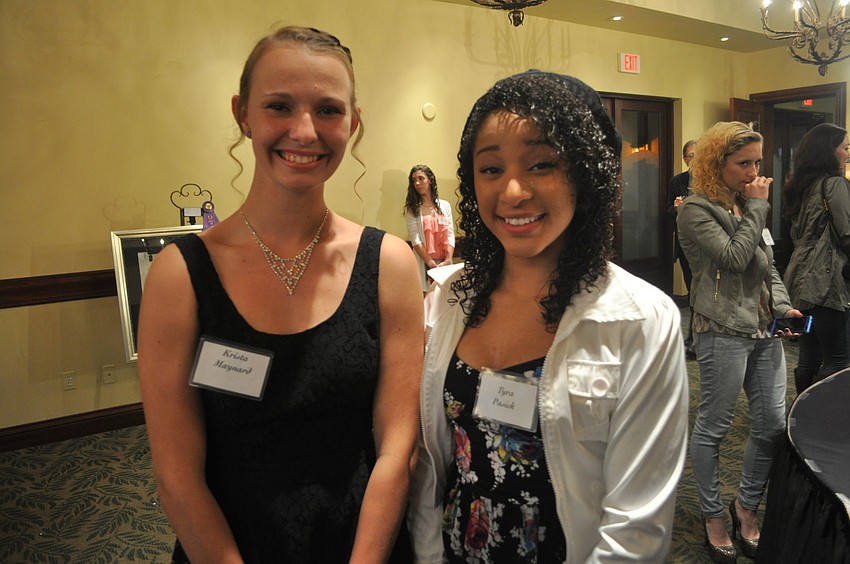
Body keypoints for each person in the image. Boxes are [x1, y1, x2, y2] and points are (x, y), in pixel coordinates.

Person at [137, 26, 423, 563]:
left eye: (329, 110)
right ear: (242, 114)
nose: (305, 131)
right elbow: (176, 477)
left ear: (353, 122)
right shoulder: (181, 274)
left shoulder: (389, 264)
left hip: (359, 540)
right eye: (279, 106)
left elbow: (397, 450)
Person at [407, 70, 689, 563]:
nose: (513, 191)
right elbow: (433, 466)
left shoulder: (641, 319)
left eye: (542, 164)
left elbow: (637, 530)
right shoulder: (451, 297)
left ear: (586, 174)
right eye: (491, 168)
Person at [677, 121, 803, 563]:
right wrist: (758, 209)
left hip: (764, 326)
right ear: (717, 163)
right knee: (715, 426)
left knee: (771, 425)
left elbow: (768, 265)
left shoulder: (745, 205)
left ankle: (745, 507)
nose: (754, 172)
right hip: (722, 328)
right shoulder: (696, 210)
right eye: (743, 163)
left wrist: (783, 305)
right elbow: (733, 259)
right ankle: (713, 516)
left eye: (757, 162)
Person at [782, 123, 850, 394]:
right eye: (845, 148)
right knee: (838, 359)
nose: (848, 154)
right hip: (827, 280)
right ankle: (827, 416)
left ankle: (802, 412)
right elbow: (846, 233)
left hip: (799, 278)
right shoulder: (834, 184)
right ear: (828, 150)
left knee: (809, 355)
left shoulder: (799, 185)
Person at [404, 164, 455, 293]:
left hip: (444, 264)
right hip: (425, 264)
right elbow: (415, 240)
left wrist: (448, 259)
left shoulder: (445, 206)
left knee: (446, 297)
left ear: (430, 180)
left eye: (421, 178)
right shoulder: (412, 210)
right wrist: (431, 263)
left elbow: (450, 233)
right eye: (414, 180)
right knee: (426, 298)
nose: (417, 183)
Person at [668, 140, 697, 358]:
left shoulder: (713, 180)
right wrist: (676, 208)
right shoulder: (677, 181)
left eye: (698, 155)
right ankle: (693, 338)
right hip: (686, 244)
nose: (694, 160)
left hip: (707, 244)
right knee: (692, 292)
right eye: (690, 156)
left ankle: (695, 339)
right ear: (685, 158)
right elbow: (668, 210)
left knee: (702, 294)